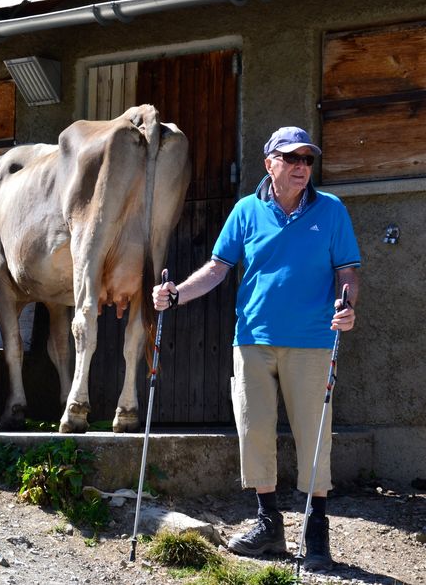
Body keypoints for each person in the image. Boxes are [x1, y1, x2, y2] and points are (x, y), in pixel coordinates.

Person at [152, 127, 360, 572]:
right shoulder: (246, 211)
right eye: (292, 158)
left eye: (308, 159)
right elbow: (216, 269)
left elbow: (348, 272)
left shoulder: (332, 211)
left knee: (314, 434)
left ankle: (316, 529)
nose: (303, 166)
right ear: (270, 164)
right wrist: (176, 294)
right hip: (252, 339)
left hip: (312, 340)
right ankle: (269, 525)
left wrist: (347, 306)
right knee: (254, 431)